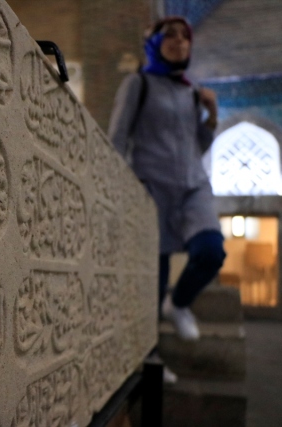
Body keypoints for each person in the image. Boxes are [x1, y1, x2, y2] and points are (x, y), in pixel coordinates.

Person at [108, 17, 226, 346]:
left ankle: (179, 304)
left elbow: (197, 146)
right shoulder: (138, 84)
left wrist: (212, 115)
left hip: (193, 187)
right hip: (152, 188)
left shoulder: (192, 92)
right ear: (154, 44)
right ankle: (151, 358)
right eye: (169, 35)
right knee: (153, 280)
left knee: (211, 252)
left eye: (184, 37)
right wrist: (119, 188)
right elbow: (117, 137)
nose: (179, 41)